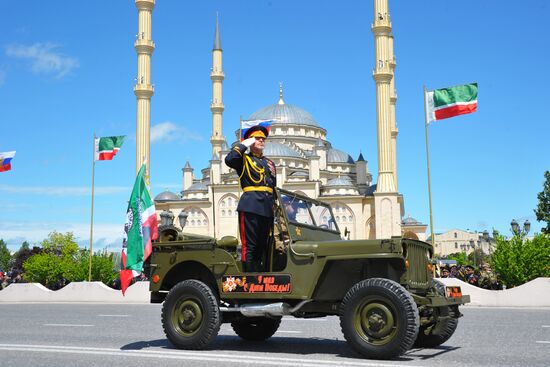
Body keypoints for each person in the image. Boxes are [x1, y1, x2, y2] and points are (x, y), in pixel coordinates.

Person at [225, 125, 277, 272]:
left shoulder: (270, 163)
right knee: (250, 246)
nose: (261, 140)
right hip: (251, 206)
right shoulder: (243, 160)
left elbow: (273, 187)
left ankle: (260, 276)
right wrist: (244, 144)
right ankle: (248, 279)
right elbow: (229, 159)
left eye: (263, 138)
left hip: (267, 208)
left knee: (263, 245)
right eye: (257, 138)